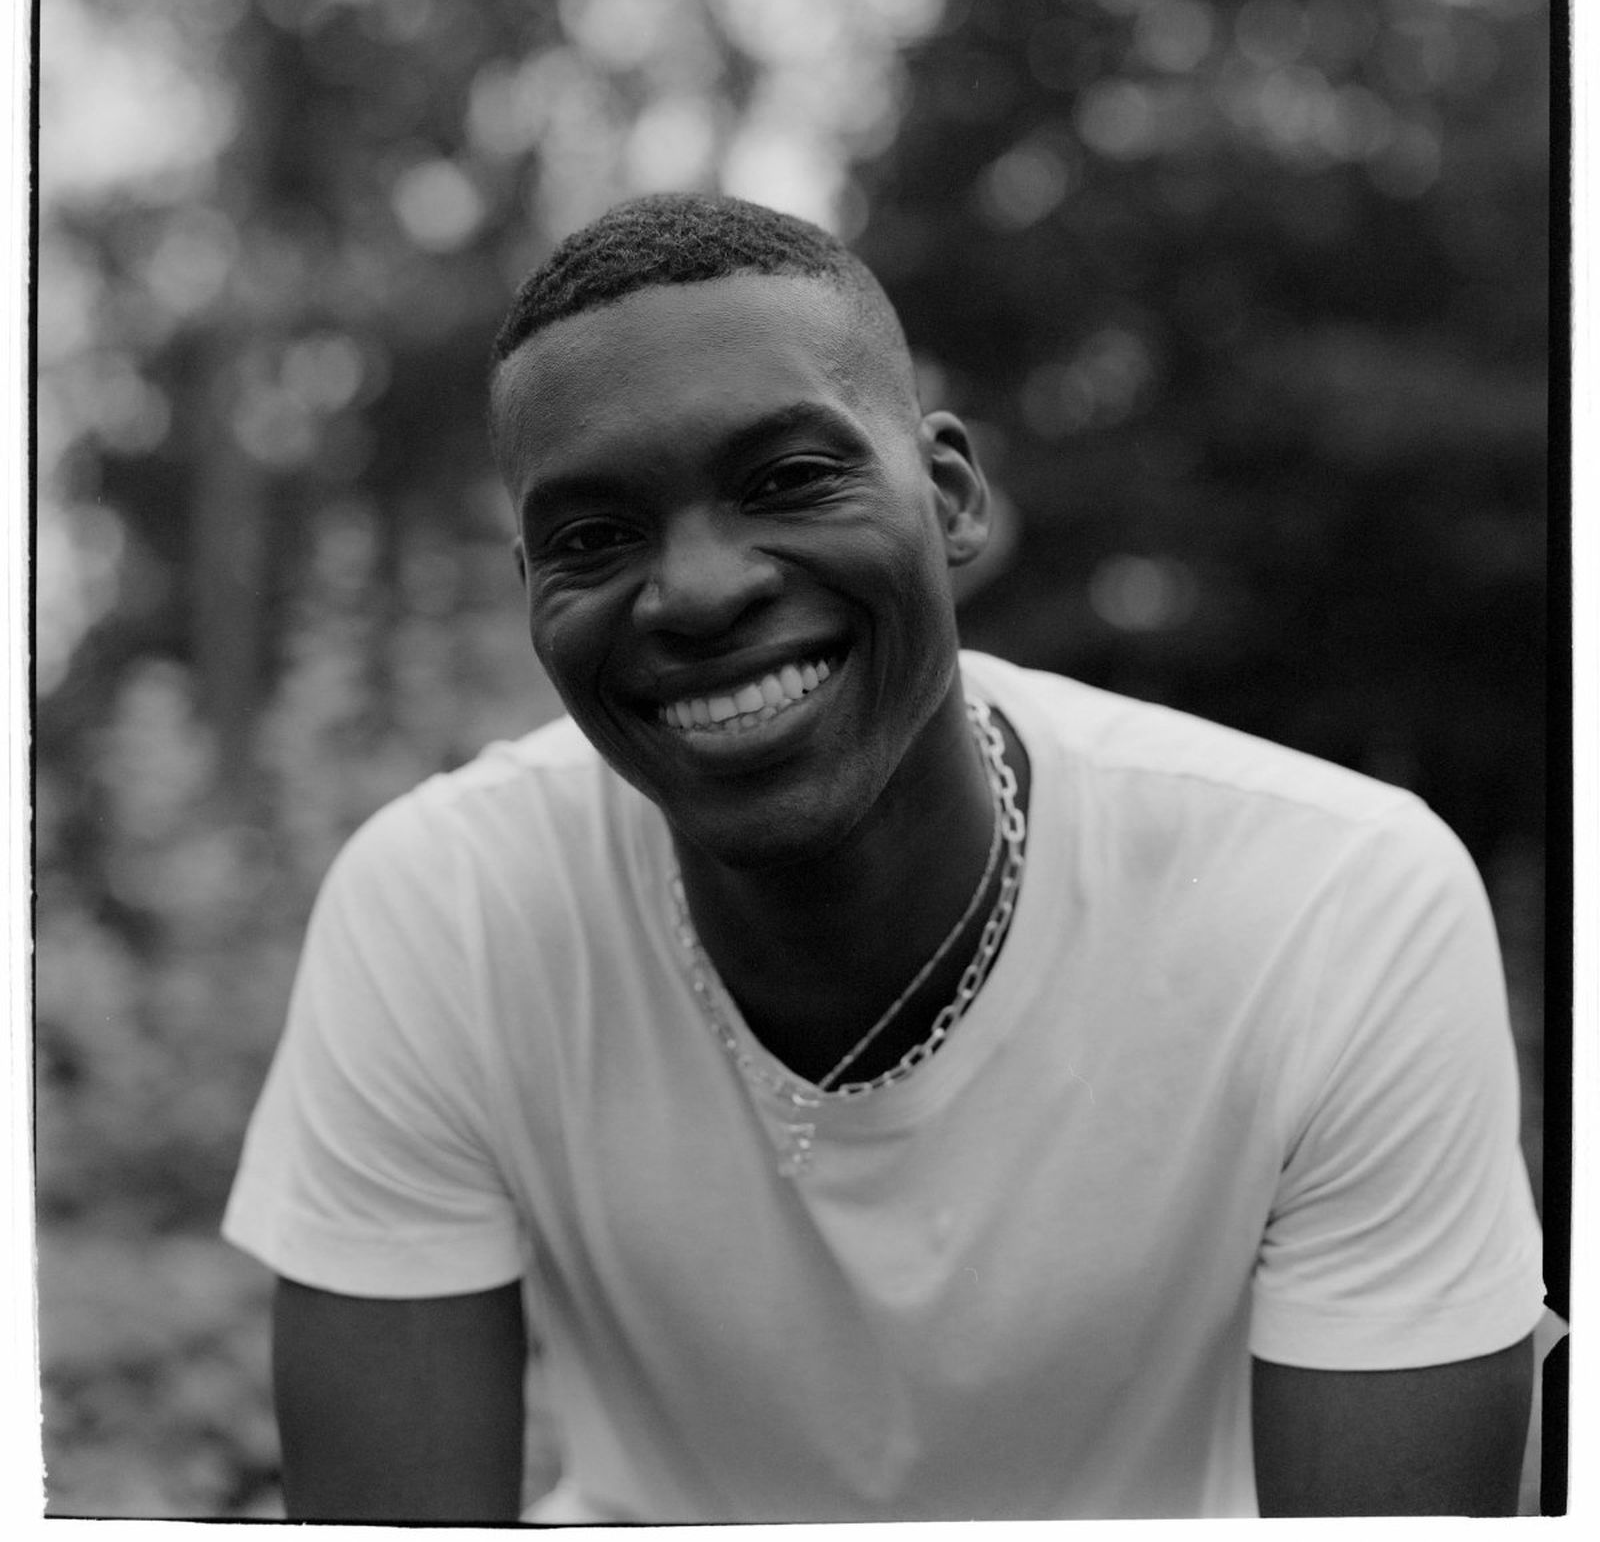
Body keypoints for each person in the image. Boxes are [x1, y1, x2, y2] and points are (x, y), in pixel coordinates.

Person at [222, 191, 1545, 1521]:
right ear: (530, 594)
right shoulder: (444, 912)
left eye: (788, 480)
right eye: (593, 538)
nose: (697, 590)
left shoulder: (1331, 909)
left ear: (951, 497)